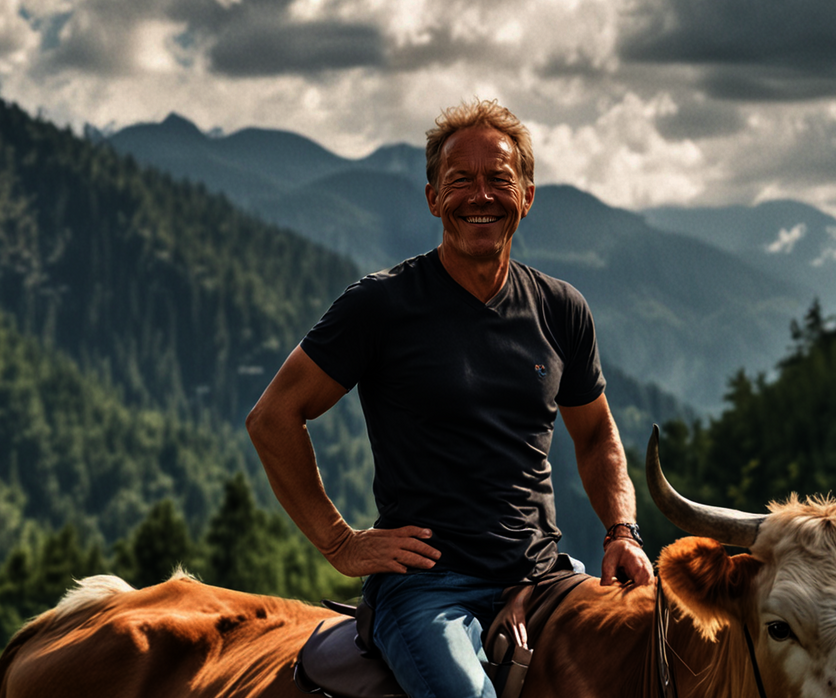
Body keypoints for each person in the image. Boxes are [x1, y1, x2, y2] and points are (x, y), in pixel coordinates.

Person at [245, 99, 653, 698]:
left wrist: (622, 530)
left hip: (546, 577)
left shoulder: (560, 308)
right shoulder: (381, 306)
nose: (480, 196)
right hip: (428, 588)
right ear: (434, 196)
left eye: (499, 180)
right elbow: (273, 417)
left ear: (527, 196)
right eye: (460, 180)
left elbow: (595, 435)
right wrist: (339, 542)